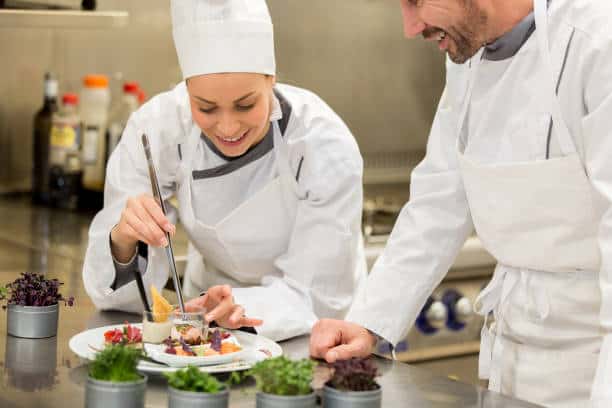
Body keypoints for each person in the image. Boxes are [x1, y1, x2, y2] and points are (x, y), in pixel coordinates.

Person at [310, 0, 612, 406]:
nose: (410, 27)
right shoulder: (467, 54)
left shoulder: (597, 40)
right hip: (514, 357)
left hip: (594, 365)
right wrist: (369, 322)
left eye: (417, 2)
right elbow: (438, 200)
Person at [82, 0, 366, 342]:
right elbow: (120, 299)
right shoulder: (157, 130)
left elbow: (316, 298)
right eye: (206, 107)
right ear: (186, 88)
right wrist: (124, 241)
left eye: (246, 105)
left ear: (271, 80)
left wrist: (235, 308)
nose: (228, 126)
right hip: (205, 324)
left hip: (312, 338)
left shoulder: (321, 143)